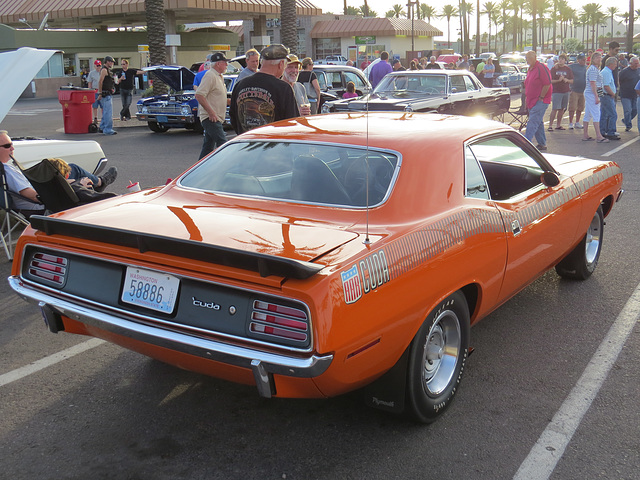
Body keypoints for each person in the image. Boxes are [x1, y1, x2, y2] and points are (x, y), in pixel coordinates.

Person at [1, 130, 117, 217]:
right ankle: (110, 195)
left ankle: (100, 183)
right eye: (7, 146)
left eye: (12, 144)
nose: (12, 148)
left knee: (71, 168)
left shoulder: (6, 169)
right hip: (48, 203)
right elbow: (35, 196)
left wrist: (65, 182)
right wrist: (72, 185)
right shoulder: (7, 171)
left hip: (45, 195)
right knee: (81, 182)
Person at [229, 44, 299, 135]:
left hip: (246, 144)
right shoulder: (283, 88)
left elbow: (233, 118)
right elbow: (291, 123)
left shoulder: (240, 85)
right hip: (273, 146)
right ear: (281, 64)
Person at [195, 52, 228, 158]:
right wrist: (211, 113)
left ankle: (199, 170)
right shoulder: (210, 75)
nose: (227, 65)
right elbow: (199, 95)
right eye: (225, 63)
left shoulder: (219, 77)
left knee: (208, 147)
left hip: (216, 118)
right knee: (223, 143)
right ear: (218, 64)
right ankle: (224, 167)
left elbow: (219, 97)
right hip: (211, 118)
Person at [47, 158, 118, 204]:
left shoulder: (42, 185)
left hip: (54, 196)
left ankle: (100, 182)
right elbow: (105, 197)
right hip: (76, 198)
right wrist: (81, 186)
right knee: (74, 168)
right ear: (67, 176)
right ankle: (101, 182)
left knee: (73, 167)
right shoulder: (78, 190)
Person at [523, 50, 552, 151]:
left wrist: (541, 97)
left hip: (540, 100)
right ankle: (542, 143)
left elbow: (547, 83)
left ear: (535, 57)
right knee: (538, 122)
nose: (528, 60)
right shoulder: (530, 69)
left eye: (530, 58)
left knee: (533, 121)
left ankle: (526, 143)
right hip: (532, 100)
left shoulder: (541, 67)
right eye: (527, 58)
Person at [582, 52, 608, 143]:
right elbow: (592, 83)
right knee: (596, 113)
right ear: (592, 59)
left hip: (591, 93)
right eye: (597, 58)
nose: (599, 59)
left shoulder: (595, 69)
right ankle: (598, 136)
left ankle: (586, 135)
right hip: (591, 94)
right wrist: (596, 96)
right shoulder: (593, 69)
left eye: (600, 57)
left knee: (588, 114)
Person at [548, 53, 573, 130]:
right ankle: (550, 125)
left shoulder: (568, 69)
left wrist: (566, 80)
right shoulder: (554, 69)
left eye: (562, 59)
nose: (561, 60)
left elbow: (572, 80)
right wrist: (558, 80)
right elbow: (550, 80)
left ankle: (558, 125)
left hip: (565, 91)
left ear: (565, 60)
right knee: (555, 108)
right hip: (557, 91)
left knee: (562, 109)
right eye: (560, 59)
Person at [618, 56, 640, 132]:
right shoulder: (624, 71)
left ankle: (626, 120)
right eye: (635, 63)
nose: (637, 64)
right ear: (631, 63)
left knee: (635, 110)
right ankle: (628, 125)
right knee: (628, 110)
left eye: (638, 63)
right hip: (625, 94)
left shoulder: (638, 71)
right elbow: (619, 81)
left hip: (635, 94)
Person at [600, 56, 620, 140]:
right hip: (607, 95)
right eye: (615, 64)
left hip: (605, 95)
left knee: (604, 114)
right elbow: (606, 86)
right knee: (613, 114)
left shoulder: (606, 71)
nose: (616, 66)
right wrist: (613, 94)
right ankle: (611, 132)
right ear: (611, 64)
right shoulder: (606, 72)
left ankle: (603, 131)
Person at [97, 55, 117, 135]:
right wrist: (100, 93)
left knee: (105, 111)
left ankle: (102, 127)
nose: (112, 63)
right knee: (108, 112)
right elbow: (100, 81)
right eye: (111, 62)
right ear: (107, 62)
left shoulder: (106, 70)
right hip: (105, 94)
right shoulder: (104, 70)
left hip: (107, 93)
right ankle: (108, 129)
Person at [568, 53, 587, 129]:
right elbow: (564, 68)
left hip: (583, 91)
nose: (584, 61)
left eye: (585, 59)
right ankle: (570, 122)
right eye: (582, 60)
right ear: (578, 60)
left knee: (580, 107)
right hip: (574, 90)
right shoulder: (572, 66)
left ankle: (577, 122)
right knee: (572, 107)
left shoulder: (586, 67)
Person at [86, 60, 102, 124]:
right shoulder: (92, 73)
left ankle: (103, 117)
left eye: (100, 65)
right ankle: (95, 117)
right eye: (97, 66)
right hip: (95, 90)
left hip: (101, 90)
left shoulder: (102, 72)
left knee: (102, 105)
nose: (99, 67)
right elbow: (90, 82)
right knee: (95, 106)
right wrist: (90, 90)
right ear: (95, 66)